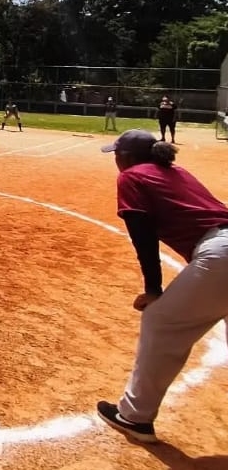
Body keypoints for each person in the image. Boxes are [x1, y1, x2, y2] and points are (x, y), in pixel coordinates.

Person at [95, 129, 228, 444]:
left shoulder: (132, 177)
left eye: (117, 154)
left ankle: (135, 416)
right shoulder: (175, 171)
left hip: (222, 253)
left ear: (126, 157)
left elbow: (143, 235)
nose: (115, 159)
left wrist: (153, 289)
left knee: (161, 320)